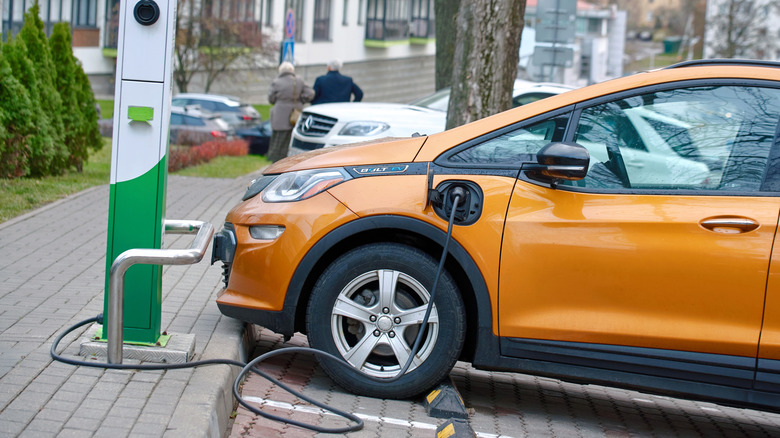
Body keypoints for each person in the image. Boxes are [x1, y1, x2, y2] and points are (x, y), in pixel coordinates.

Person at [267, 62, 314, 162]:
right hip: (295, 113)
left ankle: (276, 159)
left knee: (279, 138)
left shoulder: (277, 82)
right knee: (292, 138)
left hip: (280, 114)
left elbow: (271, 99)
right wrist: (301, 100)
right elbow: (310, 93)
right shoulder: (298, 80)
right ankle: (291, 159)